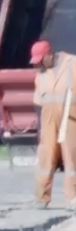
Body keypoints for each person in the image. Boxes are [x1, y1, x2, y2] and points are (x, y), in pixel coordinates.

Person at [32, 40, 76, 208]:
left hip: (70, 119)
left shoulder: (72, 63)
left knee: (72, 159)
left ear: (49, 55)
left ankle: (73, 197)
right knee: (46, 158)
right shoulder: (41, 75)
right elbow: (38, 101)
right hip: (49, 121)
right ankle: (41, 198)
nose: (39, 64)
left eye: (41, 59)